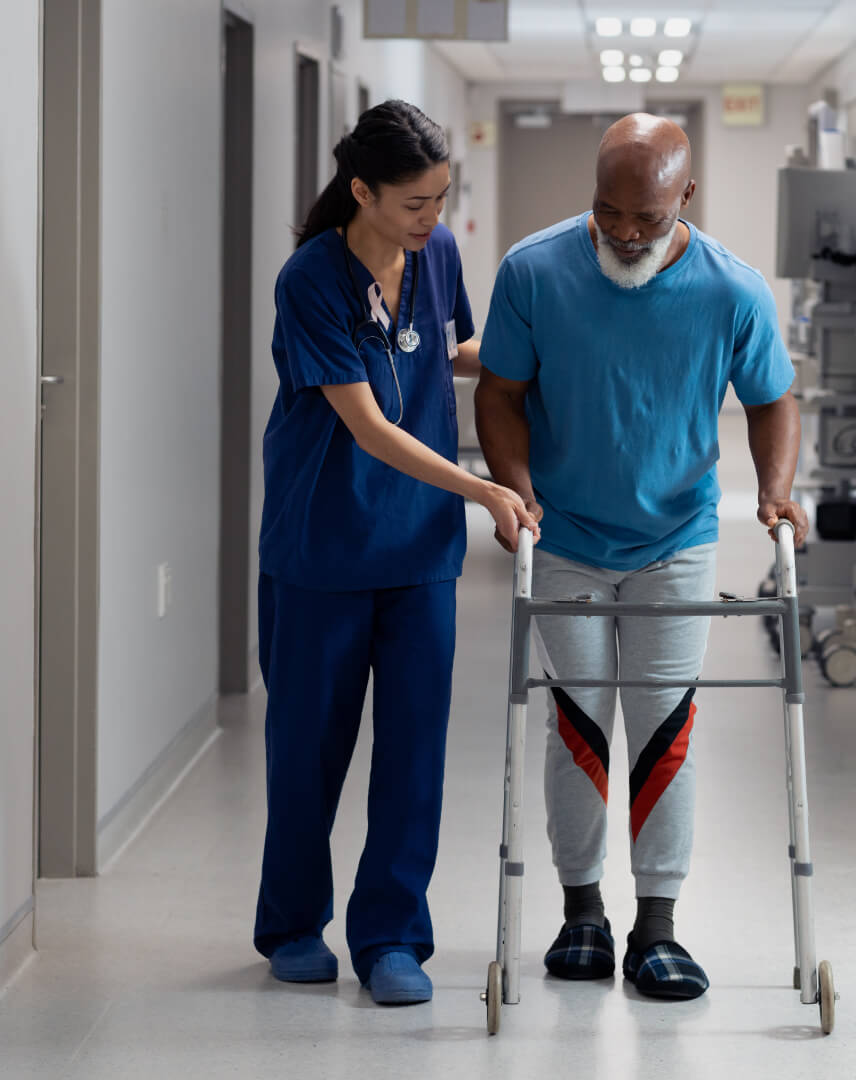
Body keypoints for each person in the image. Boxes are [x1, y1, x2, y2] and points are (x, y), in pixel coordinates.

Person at [475, 113, 809, 1001]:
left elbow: (773, 400)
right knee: (579, 726)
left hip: (676, 540)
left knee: (665, 731)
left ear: (684, 199)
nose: (624, 232)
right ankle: (582, 911)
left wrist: (775, 491)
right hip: (567, 538)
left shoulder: (732, 291)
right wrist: (514, 488)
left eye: (646, 219)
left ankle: (656, 926)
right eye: (608, 211)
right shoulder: (535, 270)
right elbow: (501, 394)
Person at [254, 100, 538, 1006]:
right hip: (323, 547)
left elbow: (449, 350)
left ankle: (391, 938)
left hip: (418, 551)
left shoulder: (436, 254)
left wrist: (545, 353)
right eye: (414, 203)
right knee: (309, 750)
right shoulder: (309, 279)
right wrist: (487, 489)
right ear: (362, 190)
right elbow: (370, 426)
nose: (432, 219)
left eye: (441, 200)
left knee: (415, 754)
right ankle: (295, 925)